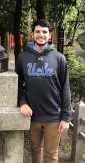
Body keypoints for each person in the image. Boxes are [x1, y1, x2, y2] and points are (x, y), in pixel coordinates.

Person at [15, 19, 71, 163]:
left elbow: (65, 88)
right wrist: (22, 102)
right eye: (37, 31)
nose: (41, 34)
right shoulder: (23, 57)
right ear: (33, 34)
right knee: (35, 151)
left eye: (44, 32)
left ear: (49, 35)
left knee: (51, 155)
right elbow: (17, 84)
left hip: (54, 116)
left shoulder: (59, 58)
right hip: (32, 115)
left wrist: (66, 117)